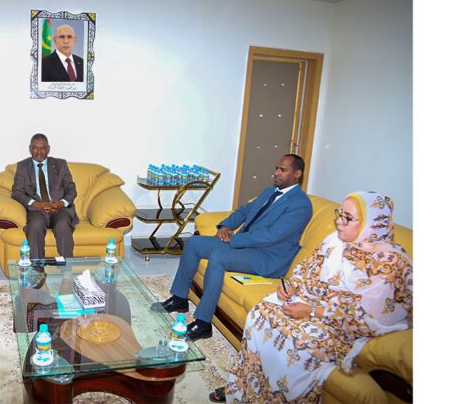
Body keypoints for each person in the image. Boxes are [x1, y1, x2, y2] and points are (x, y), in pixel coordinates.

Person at [209, 191, 413, 402]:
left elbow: (366, 316)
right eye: (340, 214)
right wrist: (291, 287)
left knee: (298, 340)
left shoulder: (389, 262)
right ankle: (245, 387)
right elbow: (307, 270)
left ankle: (276, 398)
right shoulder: (334, 241)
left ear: (372, 224)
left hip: (340, 323)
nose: (339, 222)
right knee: (262, 312)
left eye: (348, 218)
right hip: (312, 302)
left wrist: (312, 311)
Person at [153, 154, 312, 342]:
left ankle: (203, 323)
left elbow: (272, 235)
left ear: (297, 174)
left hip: (267, 257)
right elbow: (244, 211)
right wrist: (226, 226)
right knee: (194, 243)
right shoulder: (269, 192)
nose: (276, 173)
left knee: (219, 256)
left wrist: (234, 240)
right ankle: (179, 298)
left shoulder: (300, 205)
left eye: (283, 170)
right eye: (277, 168)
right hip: (245, 245)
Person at [11, 133, 78, 260]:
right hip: (37, 210)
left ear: (48, 149)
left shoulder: (60, 164)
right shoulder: (23, 166)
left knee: (63, 225)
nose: (39, 152)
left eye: (42, 148)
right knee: (35, 226)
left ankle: (67, 268)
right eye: (35, 148)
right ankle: (37, 269)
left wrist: (61, 203)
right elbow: (17, 192)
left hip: (59, 209)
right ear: (30, 148)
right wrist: (35, 204)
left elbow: (71, 189)